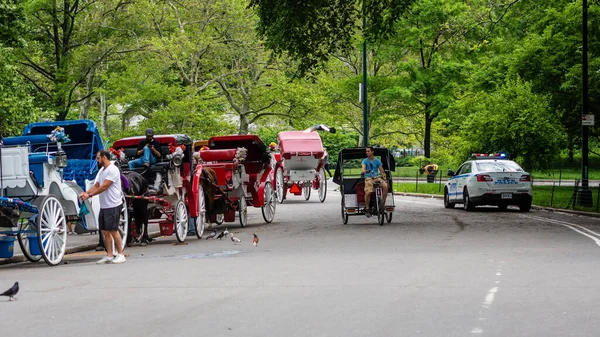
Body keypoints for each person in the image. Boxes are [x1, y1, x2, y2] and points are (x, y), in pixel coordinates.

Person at [80, 149, 126, 264]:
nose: (97, 160)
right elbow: (97, 185)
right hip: (104, 205)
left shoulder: (113, 170)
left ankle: (120, 254)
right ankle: (109, 254)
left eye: (98, 158)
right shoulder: (101, 171)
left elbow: (105, 186)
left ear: (104, 158)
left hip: (113, 204)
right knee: (105, 231)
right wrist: (86, 193)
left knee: (113, 230)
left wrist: (90, 195)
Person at [361, 146, 388, 218]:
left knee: (385, 186)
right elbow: (363, 168)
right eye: (366, 151)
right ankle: (367, 208)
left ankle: (382, 204)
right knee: (368, 192)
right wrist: (364, 171)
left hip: (376, 178)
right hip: (368, 178)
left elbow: (382, 171)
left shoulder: (377, 161)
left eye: (368, 151)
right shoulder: (365, 161)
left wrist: (384, 178)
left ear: (372, 152)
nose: (367, 152)